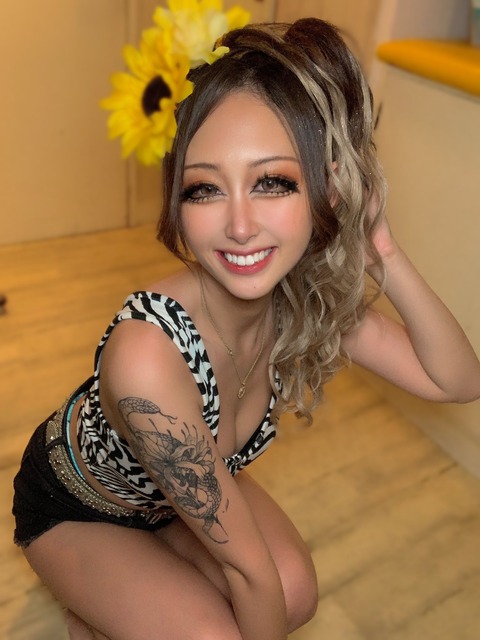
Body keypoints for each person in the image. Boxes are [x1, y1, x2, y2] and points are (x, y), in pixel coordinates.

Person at [12, 15, 480, 640]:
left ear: (327, 192)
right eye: (204, 189)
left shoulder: (298, 297)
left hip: (170, 499)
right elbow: (248, 571)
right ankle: (91, 611)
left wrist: (382, 250)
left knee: (295, 595)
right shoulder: (147, 356)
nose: (238, 226)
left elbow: (457, 381)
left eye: (272, 182)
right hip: (80, 510)